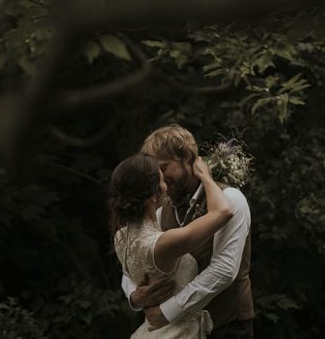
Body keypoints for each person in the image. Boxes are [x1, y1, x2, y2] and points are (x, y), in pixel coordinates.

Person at [123, 125, 254, 339]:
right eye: (153, 173)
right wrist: (135, 297)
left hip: (227, 328)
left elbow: (224, 269)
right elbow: (134, 260)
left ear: (188, 159)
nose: (159, 180)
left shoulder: (231, 198)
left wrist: (166, 313)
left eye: (163, 168)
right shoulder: (158, 210)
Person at [109, 152, 234, 338]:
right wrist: (205, 176)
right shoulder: (163, 244)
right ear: (153, 196)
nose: (167, 187)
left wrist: (135, 298)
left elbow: (129, 276)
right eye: (162, 181)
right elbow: (224, 211)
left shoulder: (121, 237)